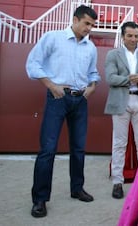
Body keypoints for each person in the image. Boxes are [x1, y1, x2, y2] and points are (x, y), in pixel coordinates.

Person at [25, 5, 100, 218]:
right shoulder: (53, 38)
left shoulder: (90, 47)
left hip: (80, 100)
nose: (89, 28)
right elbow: (33, 64)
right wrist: (50, 85)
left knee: (78, 148)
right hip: (57, 98)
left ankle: (77, 188)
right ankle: (40, 199)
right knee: (48, 149)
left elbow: (93, 72)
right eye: (86, 23)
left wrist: (92, 87)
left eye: (92, 25)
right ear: (75, 20)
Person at [104, 21, 138, 199]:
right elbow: (110, 78)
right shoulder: (113, 54)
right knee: (119, 143)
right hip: (121, 101)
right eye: (130, 36)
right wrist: (130, 79)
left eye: (136, 36)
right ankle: (117, 182)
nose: (133, 39)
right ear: (123, 37)